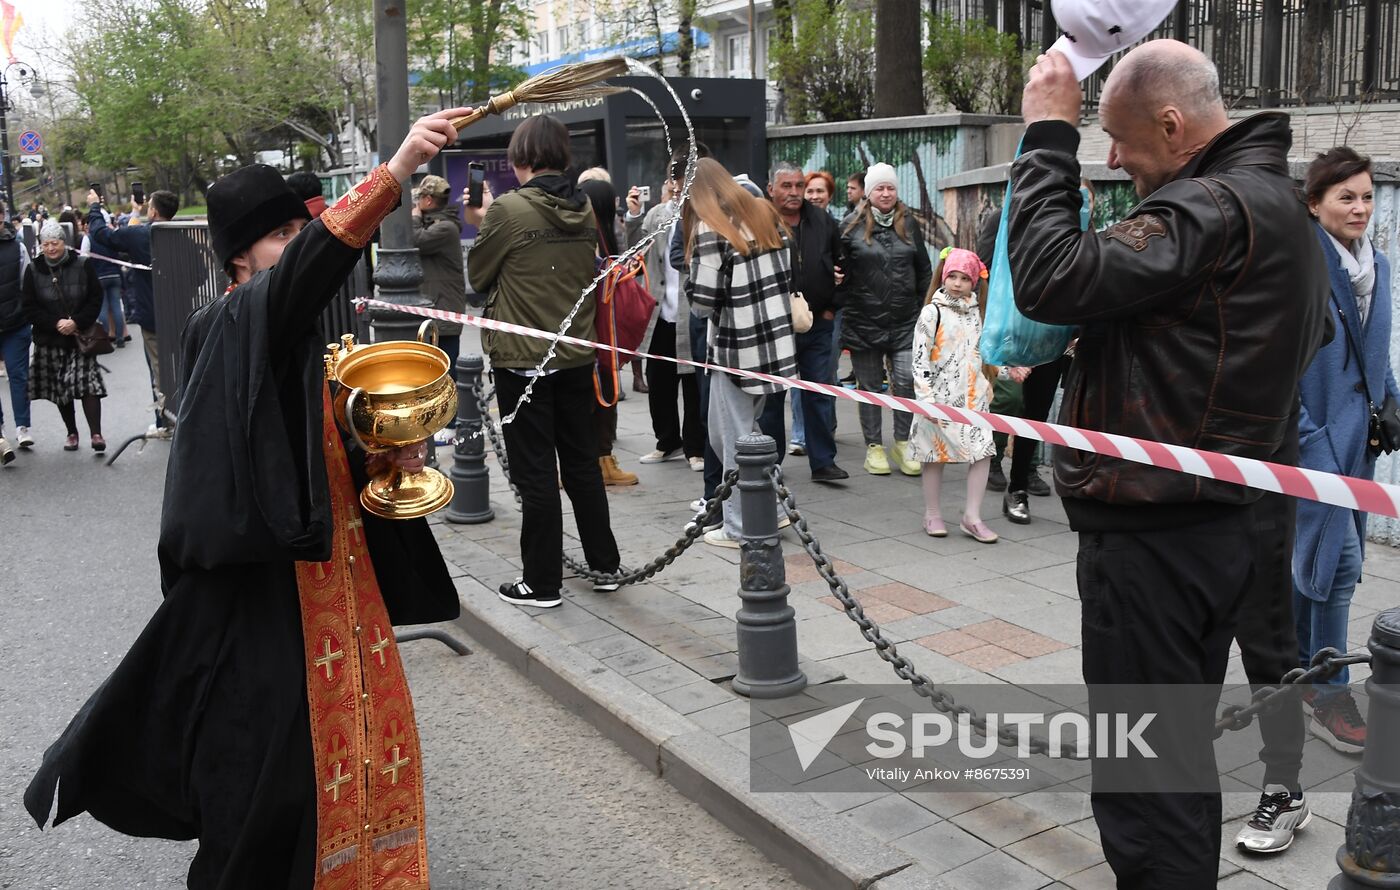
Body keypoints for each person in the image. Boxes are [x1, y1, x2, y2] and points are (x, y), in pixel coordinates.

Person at [25, 111, 467, 888]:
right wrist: (392, 172)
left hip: (340, 582)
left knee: (365, 749)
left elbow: (313, 453)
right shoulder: (229, 322)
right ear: (240, 255)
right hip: (269, 595)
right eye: (286, 236)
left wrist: (386, 453)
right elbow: (307, 277)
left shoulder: (285, 335)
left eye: (304, 231)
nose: (301, 247)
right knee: (276, 779)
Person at [1009, 41, 1328, 887]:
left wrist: (1047, 135)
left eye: (1116, 139)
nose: (1111, 158)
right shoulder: (1284, 208)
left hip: (1155, 541)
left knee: (1148, 783)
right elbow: (1304, 340)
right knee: (1173, 760)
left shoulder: (1209, 208)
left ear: (1173, 124)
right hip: (1220, 525)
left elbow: (1050, 277)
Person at [466, 115, 623, 607]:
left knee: (535, 473)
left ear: (522, 159)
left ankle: (541, 582)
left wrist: (480, 220)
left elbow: (478, 274)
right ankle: (604, 565)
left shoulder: (509, 210)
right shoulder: (584, 209)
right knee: (581, 465)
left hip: (523, 360)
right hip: (574, 354)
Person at [1293, 146, 1392, 755]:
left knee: (1317, 564)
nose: (1359, 207)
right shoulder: (1300, 267)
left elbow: (1371, 353)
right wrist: (1309, 441)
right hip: (1315, 444)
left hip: (1361, 446)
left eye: (1366, 195)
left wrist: (1393, 402)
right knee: (1341, 567)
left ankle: (1302, 672)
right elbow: (1280, 366)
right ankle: (1330, 691)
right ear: (1314, 203)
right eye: (1345, 196)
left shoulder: (1373, 263)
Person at [685, 158, 797, 548]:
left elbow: (702, 302)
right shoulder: (764, 213)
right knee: (752, 433)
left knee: (730, 438)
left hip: (736, 348)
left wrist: (691, 276)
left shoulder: (710, 227)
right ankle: (775, 510)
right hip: (776, 346)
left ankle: (740, 526)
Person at [838, 162, 932, 477]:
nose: (886, 193)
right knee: (869, 386)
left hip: (905, 321)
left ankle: (903, 442)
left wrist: (925, 308)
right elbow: (838, 270)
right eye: (880, 187)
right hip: (864, 321)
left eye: (890, 187)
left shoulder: (909, 223)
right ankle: (874, 447)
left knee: (906, 381)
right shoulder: (850, 226)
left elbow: (924, 269)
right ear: (868, 192)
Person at [767, 161, 847, 482]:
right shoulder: (762, 220)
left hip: (817, 324)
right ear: (771, 189)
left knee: (818, 393)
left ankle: (823, 462)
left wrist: (830, 309)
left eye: (799, 185)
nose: (795, 192)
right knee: (772, 399)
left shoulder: (823, 220)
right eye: (787, 186)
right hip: (774, 328)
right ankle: (771, 464)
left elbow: (843, 264)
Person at [911, 248, 997, 543]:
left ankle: (972, 516)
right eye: (953, 277)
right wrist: (926, 399)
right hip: (937, 398)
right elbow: (920, 358)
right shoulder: (931, 312)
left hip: (975, 397)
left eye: (965, 278)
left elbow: (989, 352)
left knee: (983, 451)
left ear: (975, 282)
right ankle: (932, 513)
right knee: (934, 454)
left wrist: (1011, 370)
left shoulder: (980, 314)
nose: (958, 283)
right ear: (943, 277)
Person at [626, 154, 704, 472]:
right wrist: (634, 217)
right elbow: (634, 251)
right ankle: (666, 441)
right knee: (659, 382)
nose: (678, 186)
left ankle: (696, 448)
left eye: (684, 179)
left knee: (693, 384)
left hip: (692, 308)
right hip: (660, 308)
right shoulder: (658, 214)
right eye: (674, 179)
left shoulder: (702, 214)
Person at [87, 188, 180, 435]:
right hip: (179, 312)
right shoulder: (181, 234)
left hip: (152, 312)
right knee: (180, 365)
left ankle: (168, 421)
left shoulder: (140, 235)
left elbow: (101, 234)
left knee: (158, 368)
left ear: (154, 210)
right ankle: (173, 418)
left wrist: (95, 207)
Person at [577, 167, 640, 487]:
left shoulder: (598, 236)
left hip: (592, 333)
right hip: (594, 332)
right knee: (598, 396)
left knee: (600, 395)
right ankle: (596, 462)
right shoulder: (589, 238)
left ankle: (601, 460)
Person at [21, 220, 107, 452]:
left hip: (80, 336)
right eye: (46, 244)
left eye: (55, 243)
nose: (50, 248)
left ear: (64, 243)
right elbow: (29, 307)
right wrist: (55, 323)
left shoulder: (83, 264)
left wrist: (76, 321)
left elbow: (95, 297)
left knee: (89, 385)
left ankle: (96, 433)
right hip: (51, 338)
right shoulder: (33, 270)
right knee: (61, 390)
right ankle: (72, 432)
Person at [410, 173, 468, 442]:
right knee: (436, 369)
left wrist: (410, 216)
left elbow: (415, 240)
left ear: (428, 200)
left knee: (448, 370)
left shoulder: (445, 228)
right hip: (438, 305)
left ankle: (451, 422)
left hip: (443, 307)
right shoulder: (441, 223)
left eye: (419, 198)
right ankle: (441, 419)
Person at [0, 210, 33, 463]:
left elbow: (27, 281)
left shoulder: (17, 247)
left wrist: (24, 312)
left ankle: (22, 427)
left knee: (18, 374)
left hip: (14, 322)